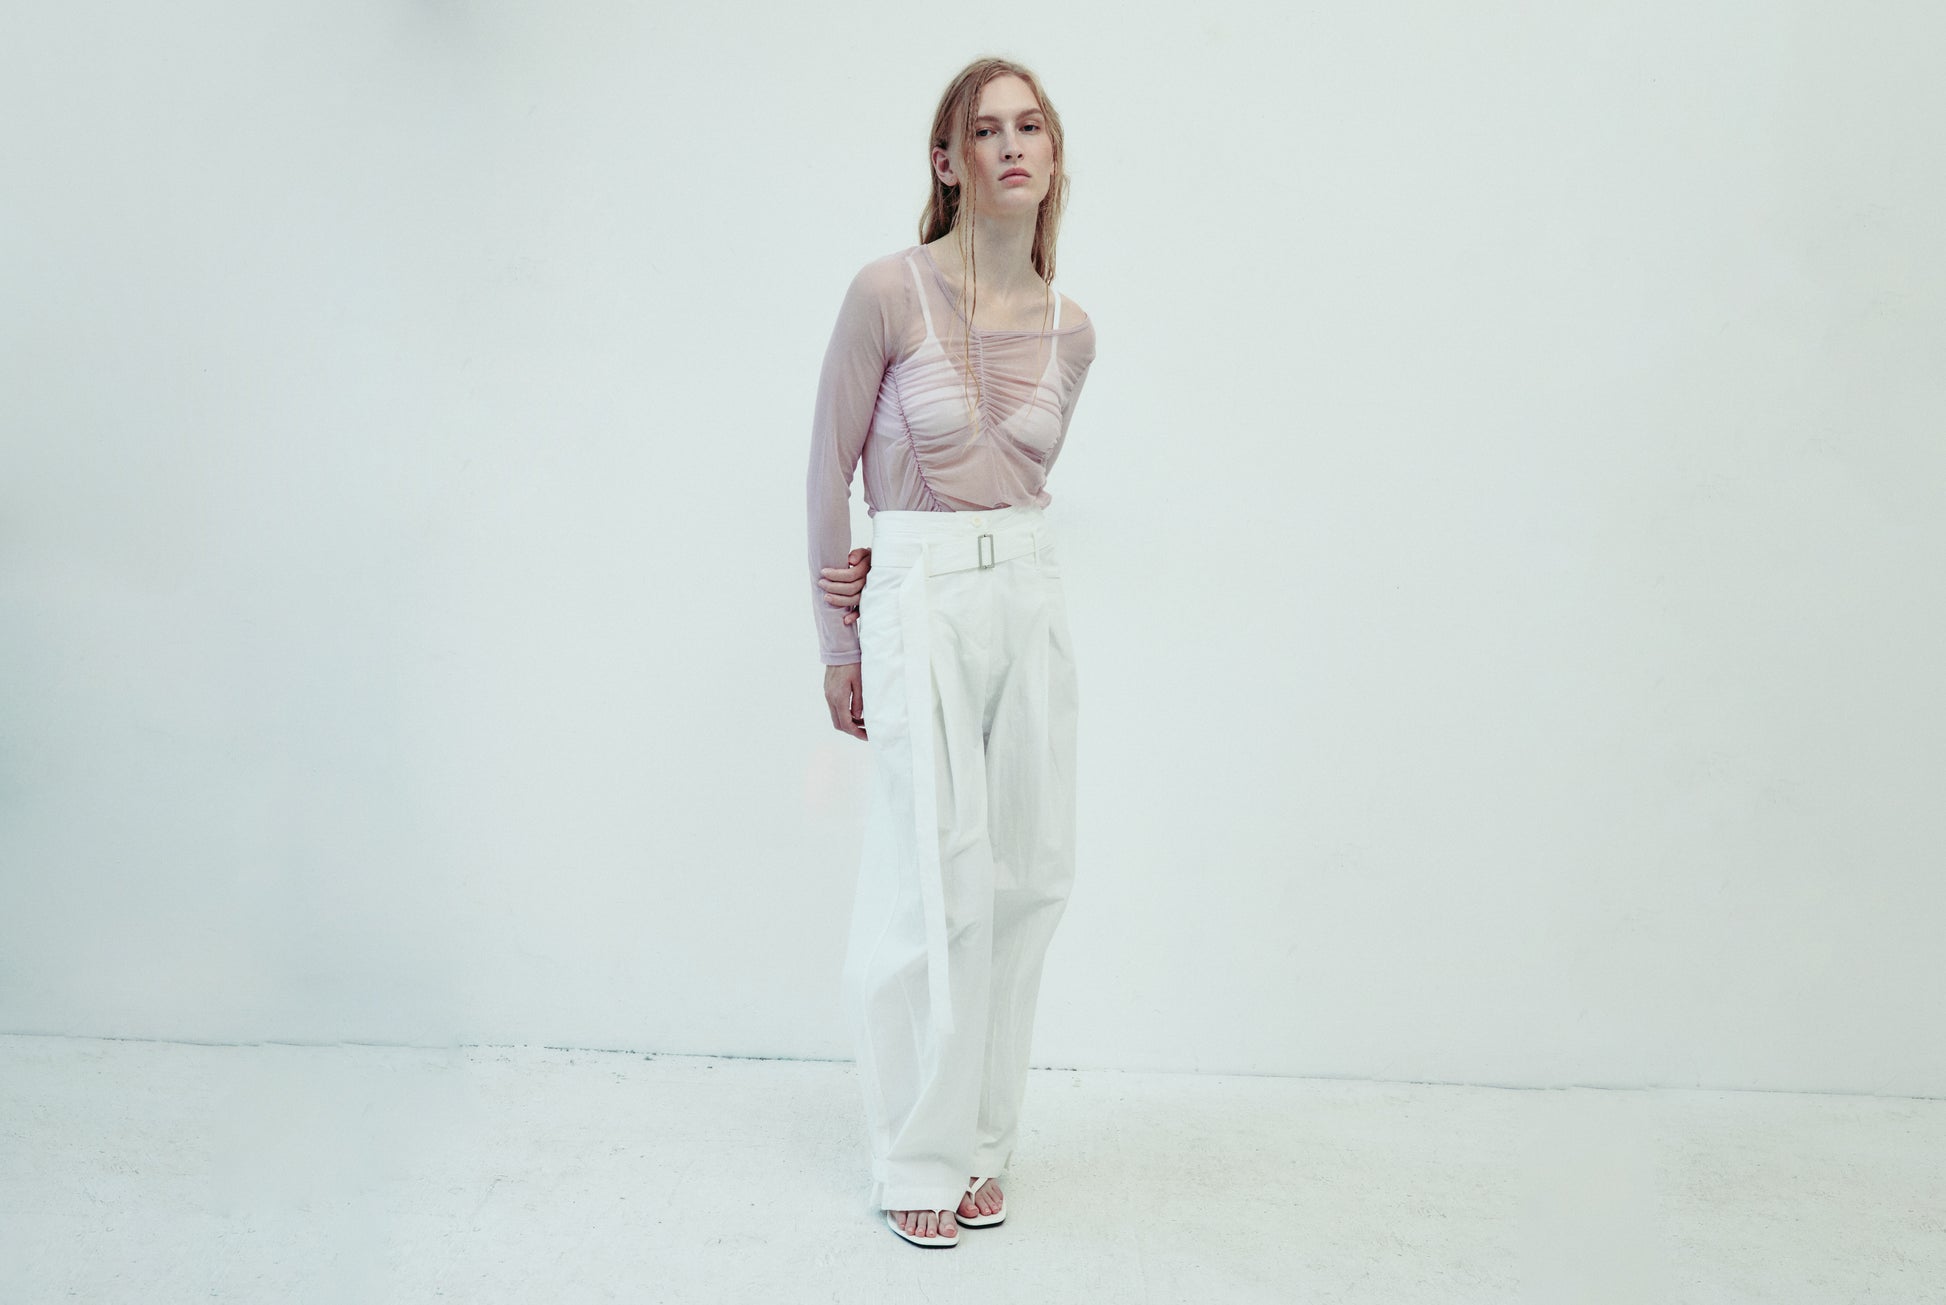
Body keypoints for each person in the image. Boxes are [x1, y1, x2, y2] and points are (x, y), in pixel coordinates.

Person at [804, 57, 1098, 1248]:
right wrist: (836, 637)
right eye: (986, 130)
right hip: (916, 590)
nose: (1011, 146)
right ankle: (913, 1154)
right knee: (929, 879)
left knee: (1026, 881)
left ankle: (982, 1142)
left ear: (1053, 157)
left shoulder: (1073, 330)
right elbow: (826, 468)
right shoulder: (887, 291)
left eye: (1030, 127)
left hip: (1025, 589)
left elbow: (1020, 485)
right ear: (947, 161)